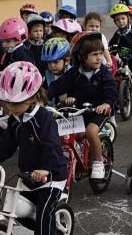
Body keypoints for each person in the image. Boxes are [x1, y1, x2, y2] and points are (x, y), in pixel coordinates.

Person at [0, 62, 68, 235]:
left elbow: (52, 146)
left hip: (51, 176)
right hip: (29, 174)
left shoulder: (45, 119)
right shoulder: (15, 118)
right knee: (17, 208)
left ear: (32, 98)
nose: (10, 108)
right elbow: (9, 142)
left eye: (15, 103)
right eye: (7, 103)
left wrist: (46, 170)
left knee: (43, 213)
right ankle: (40, 226)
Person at [47, 31, 117, 180]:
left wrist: (106, 103)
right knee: (69, 134)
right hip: (79, 110)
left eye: (100, 53)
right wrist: (43, 97)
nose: (100, 57)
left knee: (91, 132)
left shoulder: (103, 73)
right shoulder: (74, 73)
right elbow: (58, 85)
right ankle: (74, 160)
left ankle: (98, 162)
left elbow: (111, 88)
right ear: (82, 57)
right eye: (94, 54)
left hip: (98, 110)